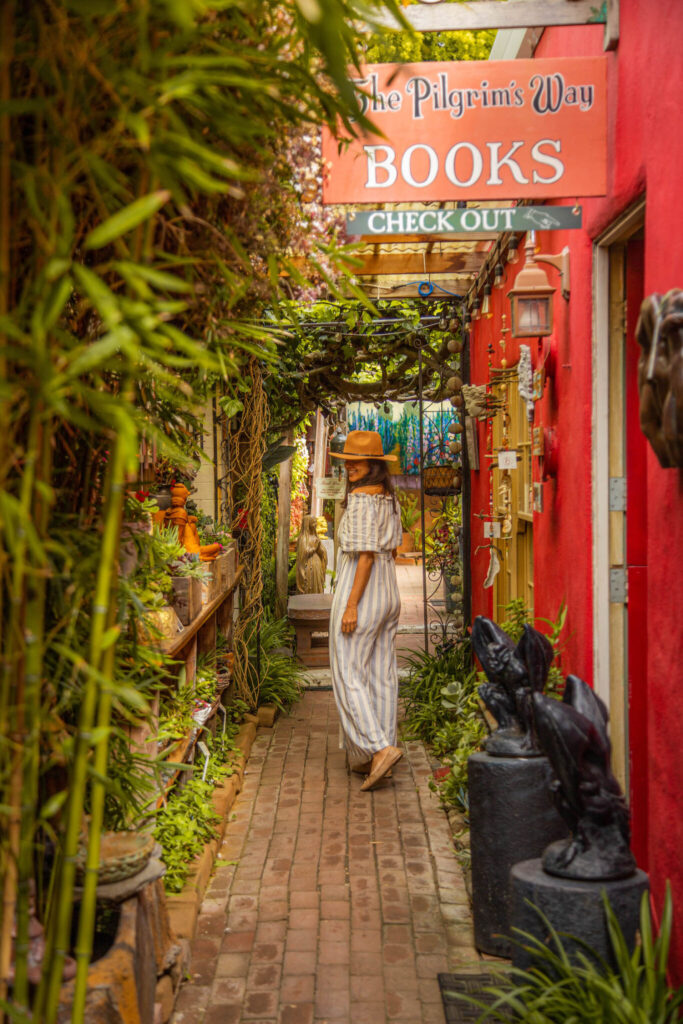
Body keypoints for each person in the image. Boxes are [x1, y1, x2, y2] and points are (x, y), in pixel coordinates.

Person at [329, 430, 404, 791]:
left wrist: (351, 605)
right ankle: (380, 758)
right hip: (389, 589)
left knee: (347, 670)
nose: (350, 468)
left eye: (356, 462)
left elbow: (365, 557)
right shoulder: (389, 498)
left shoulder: (360, 500)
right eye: (348, 462)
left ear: (373, 464)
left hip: (365, 586)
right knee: (381, 673)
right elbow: (393, 547)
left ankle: (378, 748)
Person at [296, 514, 328, 594]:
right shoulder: (303, 538)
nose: (315, 525)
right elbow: (303, 553)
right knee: (309, 585)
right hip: (308, 566)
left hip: (317, 565)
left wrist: (320, 549)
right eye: (313, 523)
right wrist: (314, 547)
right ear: (307, 524)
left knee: (317, 585)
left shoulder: (315, 537)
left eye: (315, 523)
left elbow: (322, 552)